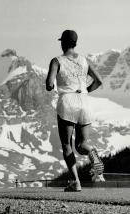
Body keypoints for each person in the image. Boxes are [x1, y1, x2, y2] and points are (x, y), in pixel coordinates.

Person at [46, 30, 105, 192]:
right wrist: (85, 90)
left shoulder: (57, 61)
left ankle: (75, 182)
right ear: (76, 43)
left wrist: (52, 83)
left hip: (68, 102)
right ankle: (92, 153)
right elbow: (99, 81)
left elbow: (49, 84)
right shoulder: (84, 60)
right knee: (82, 145)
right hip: (84, 100)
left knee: (67, 145)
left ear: (62, 43)